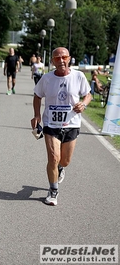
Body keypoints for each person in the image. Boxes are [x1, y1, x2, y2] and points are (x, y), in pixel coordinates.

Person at [30, 47, 92, 206]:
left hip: (72, 125)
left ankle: (60, 168)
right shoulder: (47, 78)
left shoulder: (78, 76)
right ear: (52, 61)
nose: (61, 60)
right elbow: (37, 96)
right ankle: (53, 190)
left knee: (64, 161)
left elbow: (88, 94)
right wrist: (37, 115)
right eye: (57, 58)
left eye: (64, 57)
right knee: (53, 157)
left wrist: (83, 104)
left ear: (69, 58)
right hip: (51, 124)